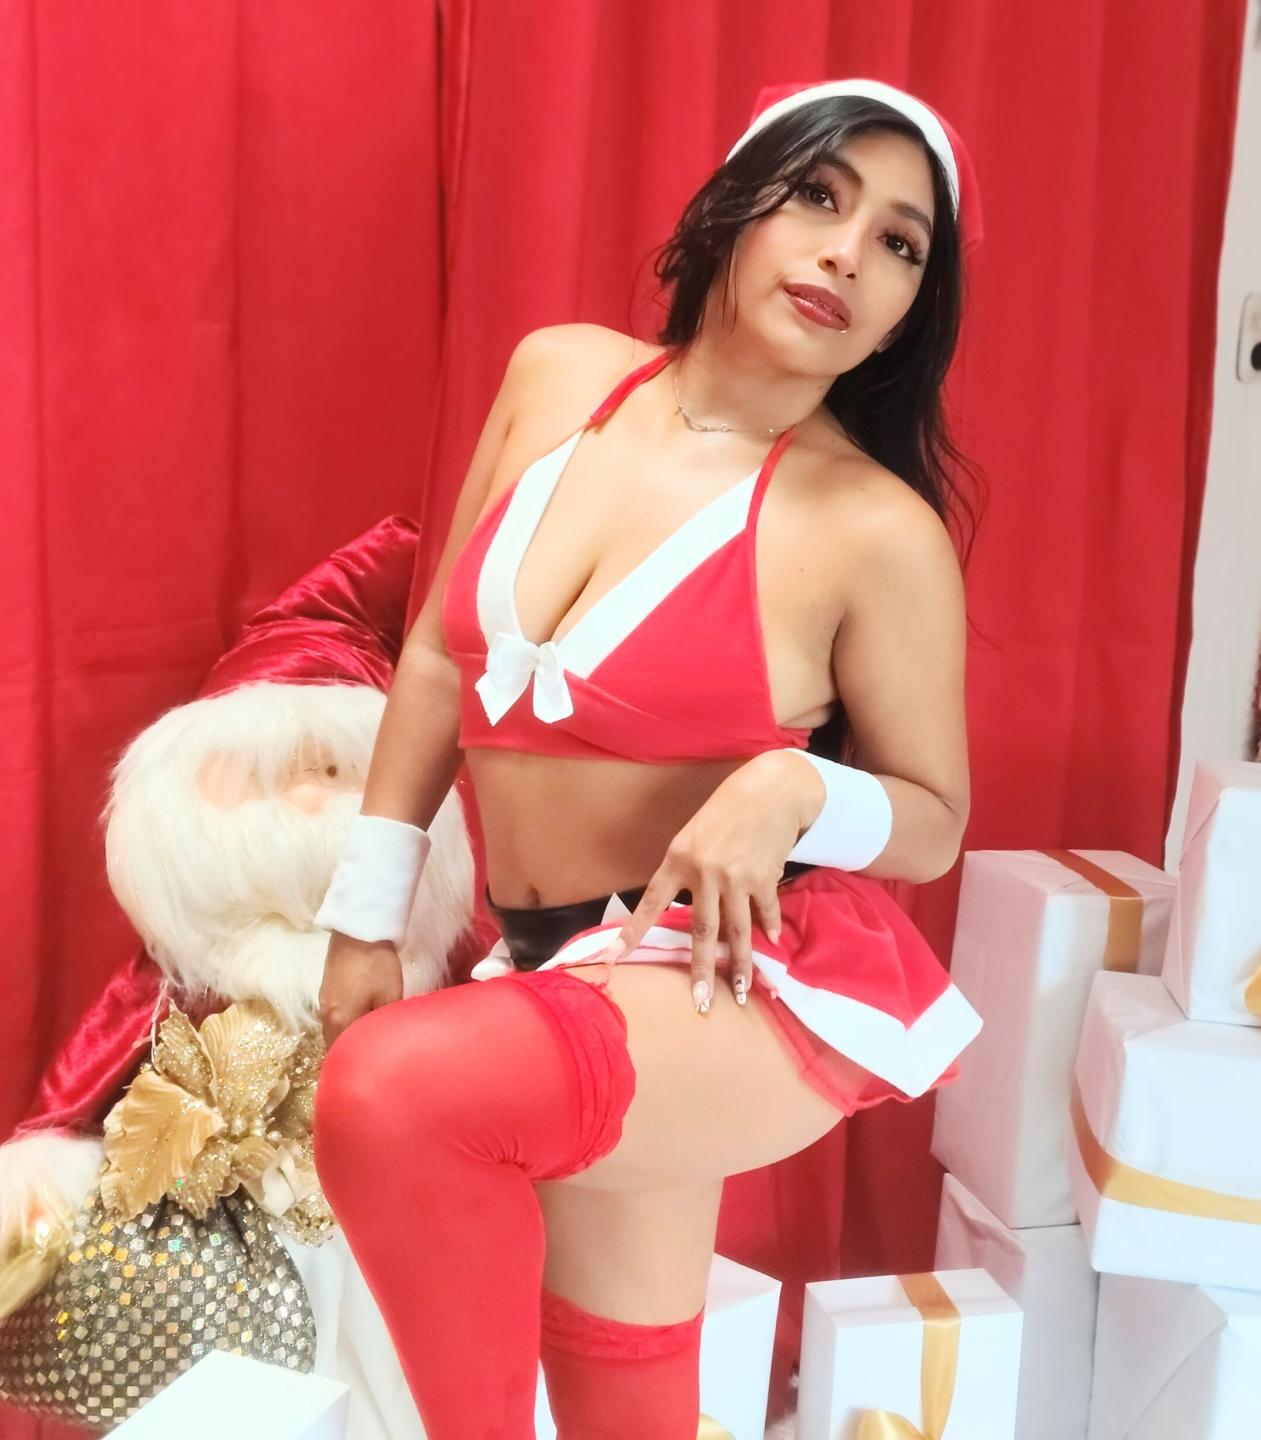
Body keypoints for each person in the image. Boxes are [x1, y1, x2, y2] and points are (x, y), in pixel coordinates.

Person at [311, 77, 986, 1440]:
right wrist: (365, 915)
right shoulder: (558, 376)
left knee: (389, 1097)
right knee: (627, 1387)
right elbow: (438, 656)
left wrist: (795, 784)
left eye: (900, 244)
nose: (847, 254)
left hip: (732, 979)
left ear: (911, 310)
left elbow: (934, 820)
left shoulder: (872, 529)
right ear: (735, 202)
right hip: (558, 963)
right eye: (819, 195)